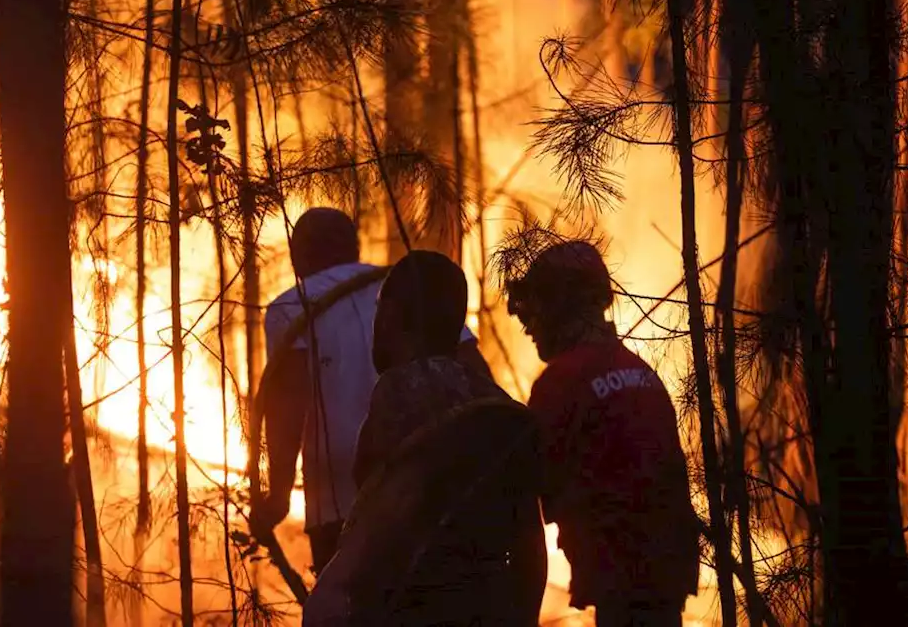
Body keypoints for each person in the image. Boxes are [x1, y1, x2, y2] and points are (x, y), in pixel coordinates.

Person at [303, 250, 546, 626]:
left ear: (394, 317)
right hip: (490, 608)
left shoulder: (399, 391)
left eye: (381, 309)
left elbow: (381, 522)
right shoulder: (498, 405)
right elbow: (530, 544)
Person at [249, 208, 491, 575]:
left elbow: (288, 403)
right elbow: (475, 373)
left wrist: (278, 496)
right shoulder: (411, 289)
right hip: (433, 489)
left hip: (340, 503)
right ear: (354, 246)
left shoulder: (291, 305)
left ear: (298, 255)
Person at [505, 239, 700, 627]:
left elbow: (525, 487)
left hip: (622, 576)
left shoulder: (561, 382)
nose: (529, 328)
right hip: (664, 568)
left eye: (536, 308)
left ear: (558, 307)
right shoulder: (639, 371)